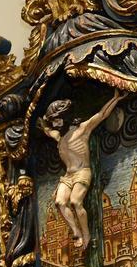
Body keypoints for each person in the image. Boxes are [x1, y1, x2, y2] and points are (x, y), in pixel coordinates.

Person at [41, 89, 124, 249]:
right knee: (59, 202)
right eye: (54, 121)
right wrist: (45, 120)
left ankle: (86, 234)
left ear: (65, 117)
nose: (55, 124)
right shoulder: (59, 137)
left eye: (57, 120)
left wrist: (115, 99)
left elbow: (101, 115)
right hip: (68, 176)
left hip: (82, 172)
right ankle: (76, 232)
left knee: (75, 201)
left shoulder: (82, 130)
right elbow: (47, 130)